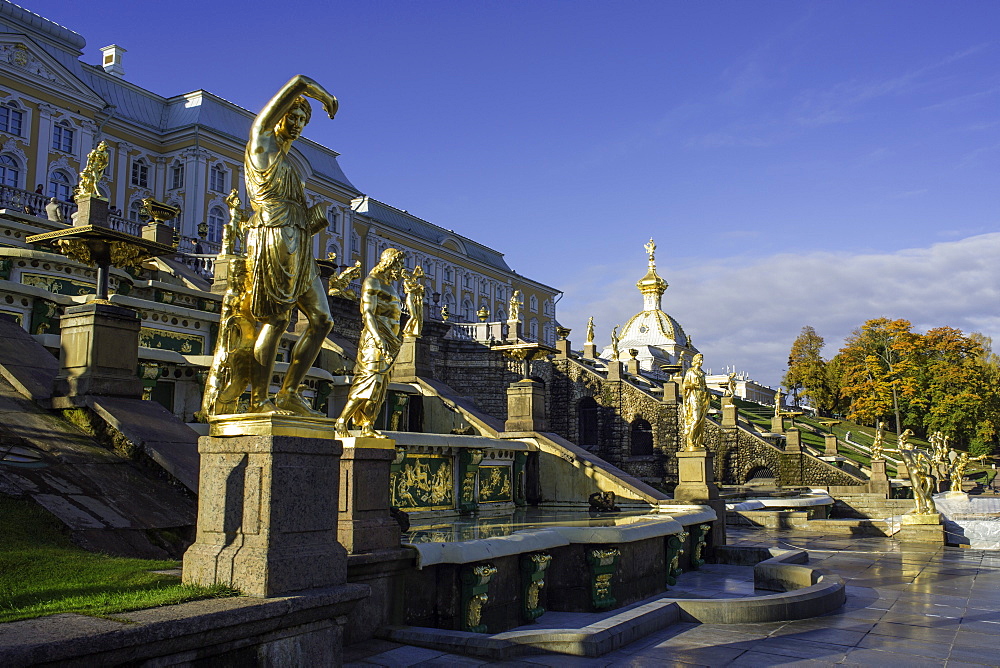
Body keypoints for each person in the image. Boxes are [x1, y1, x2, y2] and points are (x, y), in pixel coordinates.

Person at [243, 75, 338, 416]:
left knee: (322, 321)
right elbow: (297, 81)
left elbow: (294, 210)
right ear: (280, 116)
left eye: (303, 120)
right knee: (277, 321)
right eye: (293, 117)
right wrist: (321, 94)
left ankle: (289, 393)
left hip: (299, 242)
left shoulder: (289, 163)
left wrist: (315, 217)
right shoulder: (261, 143)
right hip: (274, 238)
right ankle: (259, 399)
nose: (297, 124)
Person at [335, 248, 405, 438]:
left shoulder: (390, 285)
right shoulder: (372, 281)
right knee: (369, 381)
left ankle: (367, 425)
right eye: (398, 265)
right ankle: (342, 420)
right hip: (376, 339)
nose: (400, 269)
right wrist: (379, 338)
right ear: (389, 263)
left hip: (391, 339)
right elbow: (368, 314)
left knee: (380, 387)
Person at [681, 353, 709, 451]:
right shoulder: (690, 372)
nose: (701, 362)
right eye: (700, 359)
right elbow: (684, 386)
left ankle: (698, 441)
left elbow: (705, 386)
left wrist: (709, 393)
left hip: (702, 398)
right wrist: (693, 385)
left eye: (702, 360)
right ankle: (690, 440)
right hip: (694, 398)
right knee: (696, 419)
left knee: (701, 421)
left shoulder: (702, 373)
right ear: (696, 360)